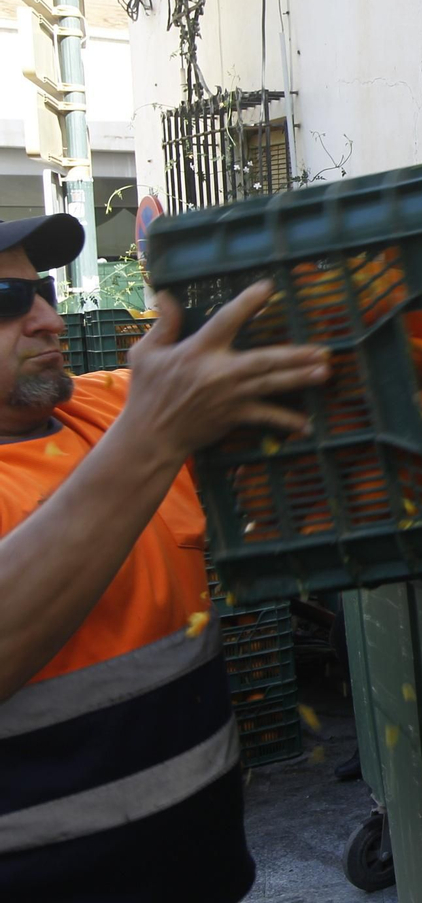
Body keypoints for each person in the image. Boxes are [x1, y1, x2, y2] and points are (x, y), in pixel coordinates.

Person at [0, 213, 329, 901]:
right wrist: (153, 437)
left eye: (45, 295)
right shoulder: (140, 428)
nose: (49, 324)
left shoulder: (106, 411)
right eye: (7, 302)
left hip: (205, 872)